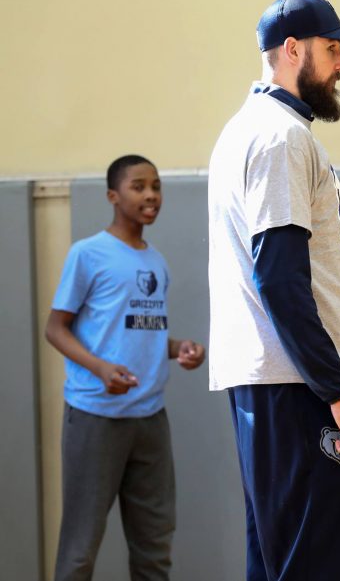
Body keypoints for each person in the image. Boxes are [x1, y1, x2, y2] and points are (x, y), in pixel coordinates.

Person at [206, 0, 340, 581]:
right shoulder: (279, 137)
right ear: (292, 50)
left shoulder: (251, 130)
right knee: (310, 567)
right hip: (298, 389)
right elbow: (279, 278)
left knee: (280, 563)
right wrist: (339, 395)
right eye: (333, 50)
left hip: (278, 383)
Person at [46, 154, 205, 581]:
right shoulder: (88, 254)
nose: (151, 194)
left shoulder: (157, 262)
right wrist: (99, 368)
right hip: (96, 416)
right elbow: (55, 329)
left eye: (156, 186)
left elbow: (144, 332)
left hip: (150, 420)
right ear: (113, 196)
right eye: (139, 186)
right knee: (80, 549)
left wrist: (181, 348)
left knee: (154, 546)